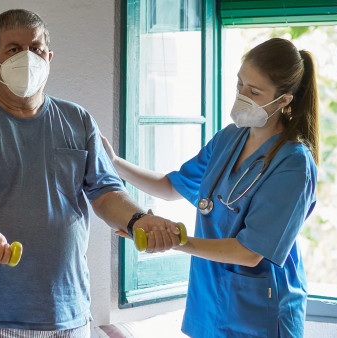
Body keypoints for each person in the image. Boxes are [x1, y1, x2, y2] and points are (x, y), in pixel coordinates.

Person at [0, 9, 182, 337]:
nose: (27, 58)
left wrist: (137, 220)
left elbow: (106, 192)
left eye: (35, 49)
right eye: (14, 49)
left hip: (68, 311)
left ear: (48, 58)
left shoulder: (78, 120)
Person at [102, 38, 319, 337]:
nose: (242, 95)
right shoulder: (228, 138)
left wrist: (172, 241)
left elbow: (249, 252)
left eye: (254, 92)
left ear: (283, 100)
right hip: (209, 302)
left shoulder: (294, 164)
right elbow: (169, 186)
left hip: (259, 313)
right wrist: (113, 162)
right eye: (240, 84)